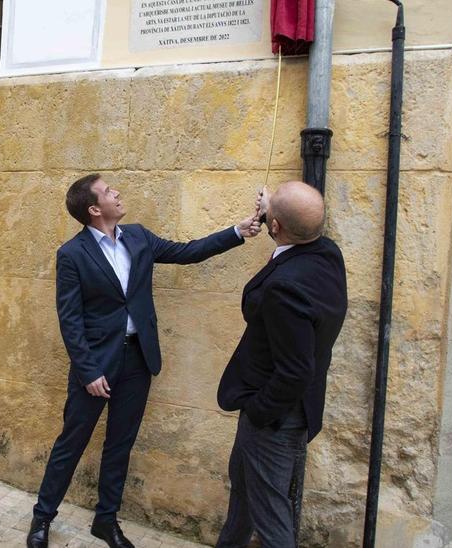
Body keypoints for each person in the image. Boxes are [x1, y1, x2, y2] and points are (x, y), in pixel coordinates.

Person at [28, 174, 263, 548]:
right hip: (96, 366)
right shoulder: (72, 254)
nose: (117, 193)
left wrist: (237, 231)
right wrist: (88, 371)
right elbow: (70, 319)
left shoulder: (138, 237)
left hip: (138, 359)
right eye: (108, 192)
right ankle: (42, 518)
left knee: (120, 444)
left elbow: (188, 252)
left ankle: (106, 521)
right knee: (71, 443)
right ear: (93, 209)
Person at [214, 181, 347, 548]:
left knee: (271, 520)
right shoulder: (326, 253)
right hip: (282, 411)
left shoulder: (285, 288)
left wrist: (258, 413)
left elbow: (296, 370)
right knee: (243, 491)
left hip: (274, 417)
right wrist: (273, 206)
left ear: (275, 229)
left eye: (273, 216)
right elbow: (292, 232)